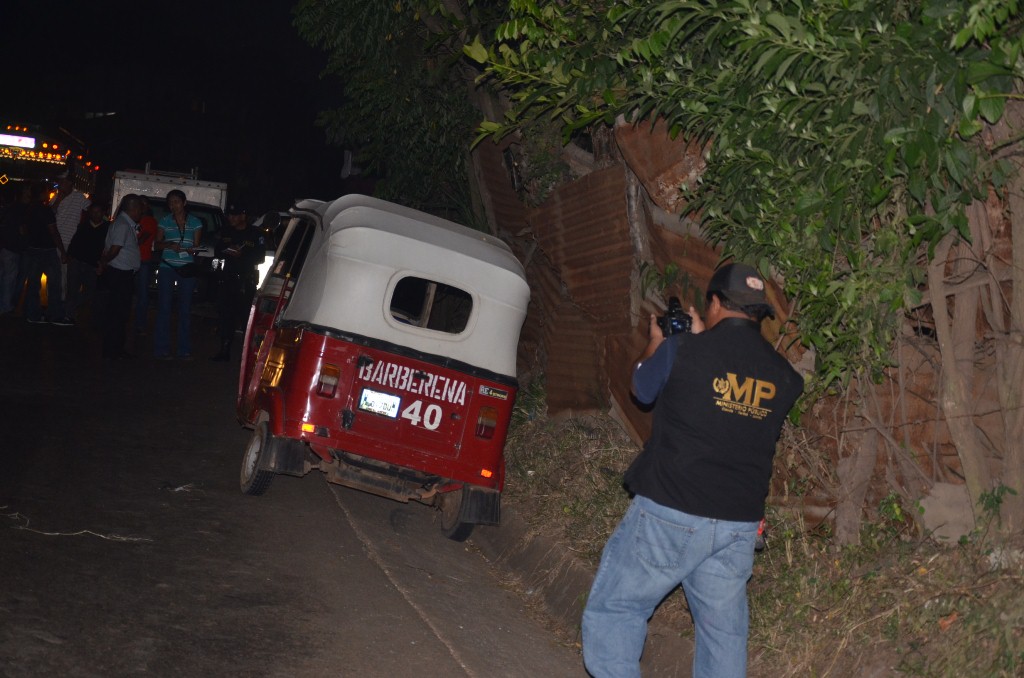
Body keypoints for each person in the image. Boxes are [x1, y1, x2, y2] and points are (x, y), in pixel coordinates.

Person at [581, 263, 804, 678]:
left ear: (714, 303)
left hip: (671, 511)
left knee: (618, 609)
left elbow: (641, 387)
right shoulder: (786, 378)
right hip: (737, 526)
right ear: (759, 313)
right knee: (723, 637)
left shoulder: (681, 350)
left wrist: (657, 343)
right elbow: (731, 403)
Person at [153, 189, 202, 360]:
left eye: (177, 202)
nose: (173, 205)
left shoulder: (195, 222)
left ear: (184, 203)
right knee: (164, 308)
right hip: (167, 267)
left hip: (187, 268)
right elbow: (156, 245)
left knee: (185, 309)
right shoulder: (164, 221)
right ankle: (161, 349)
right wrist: (169, 245)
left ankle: (184, 349)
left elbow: (196, 247)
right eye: (171, 203)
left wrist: (193, 250)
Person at [211, 204, 263, 361]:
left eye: (234, 215)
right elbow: (217, 250)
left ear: (243, 216)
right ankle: (224, 350)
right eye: (229, 215)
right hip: (228, 279)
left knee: (247, 318)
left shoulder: (255, 233)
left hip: (246, 281)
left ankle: (249, 355)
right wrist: (228, 250)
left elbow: (260, 256)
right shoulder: (226, 231)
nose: (231, 218)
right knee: (226, 315)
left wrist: (242, 255)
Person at [97, 194, 143, 359]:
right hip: (120, 274)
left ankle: (114, 348)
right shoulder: (123, 225)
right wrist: (104, 262)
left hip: (120, 273)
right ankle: (113, 350)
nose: (141, 212)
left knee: (118, 312)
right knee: (118, 313)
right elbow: (114, 249)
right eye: (140, 209)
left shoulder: (123, 223)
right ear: (133, 208)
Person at [22, 182, 70, 325]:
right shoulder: (45, 210)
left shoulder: (28, 209)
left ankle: (33, 314)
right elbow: (53, 232)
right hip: (47, 251)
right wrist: (63, 251)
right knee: (54, 284)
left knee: (33, 284)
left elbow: (23, 229)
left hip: (32, 249)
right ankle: (55, 315)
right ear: (43, 193)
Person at [65, 203, 110, 324]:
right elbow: (74, 242)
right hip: (77, 262)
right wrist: (69, 256)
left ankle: (69, 307)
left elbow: (107, 249)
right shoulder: (84, 225)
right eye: (93, 212)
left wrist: (102, 264)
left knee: (89, 291)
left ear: (103, 213)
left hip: (92, 265)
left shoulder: (107, 228)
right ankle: (69, 315)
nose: (95, 214)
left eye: (98, 212)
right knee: (72, 289)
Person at [50, 176, 91, 302]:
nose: (60, 184)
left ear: (69, 183)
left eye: (63, 182)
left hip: (69, 240)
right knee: (56, 273)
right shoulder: (55, 197)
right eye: (60, 182)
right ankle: (58, 300)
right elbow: (50, 214)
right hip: (55, 240)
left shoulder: (78, 197)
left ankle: (64, 301)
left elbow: (91, 209)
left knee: (66, 273)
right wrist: (59, 199)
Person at [0, 186, 30, 315]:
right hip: (14, 247)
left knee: (5, 276)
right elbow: (22, 230)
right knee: (10, 278)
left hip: (6, 246)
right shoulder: (21, 210)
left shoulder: (9, 209)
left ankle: (5, 304)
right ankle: (6, 305)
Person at [133, 196, 159, 336]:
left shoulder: (149, 221)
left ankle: (140, 324)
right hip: (130, 260)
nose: (141, 206)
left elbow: (140, 240)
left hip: (143, 260)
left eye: (143, 204)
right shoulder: (133, 219)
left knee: (142, 294)